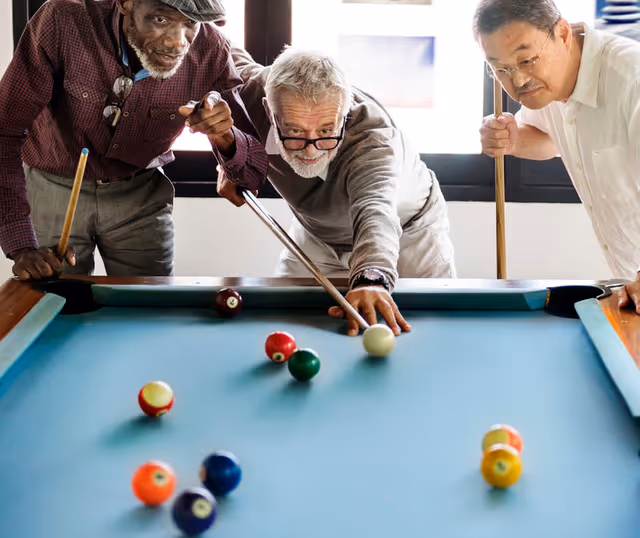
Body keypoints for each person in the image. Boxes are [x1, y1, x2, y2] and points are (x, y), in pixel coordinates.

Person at [0, 0, 267, 280]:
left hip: (140, 192)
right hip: (52, 189)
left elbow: (254, 173)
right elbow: (5, 131)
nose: (178, 43)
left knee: (152, 307)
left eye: (190, 23)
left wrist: (224, 136)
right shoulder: (61, 20)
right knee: (55, 299)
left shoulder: (213, 49)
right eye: (161, 20)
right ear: (127, 3)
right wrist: (21, 245)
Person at [218, 46, 456, 336]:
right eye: (294, 132)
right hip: (316, 232)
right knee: (281, 324)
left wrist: (371, 278)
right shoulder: (250, 93)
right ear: (269, 109)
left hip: (410, 234)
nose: (310, 149)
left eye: (325, 131)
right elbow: (210, 43)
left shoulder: (374, 139)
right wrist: (232, 155)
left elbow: (376, 211)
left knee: (432, 335)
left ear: (346, 114)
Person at [475, 0, 640, 312]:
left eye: (527, 60)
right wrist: (512, 140)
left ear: (563, 33)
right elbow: (551, 139)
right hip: (628, 285)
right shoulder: (549, 87)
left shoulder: (632, 80)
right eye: (501, 69)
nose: (519, 80)